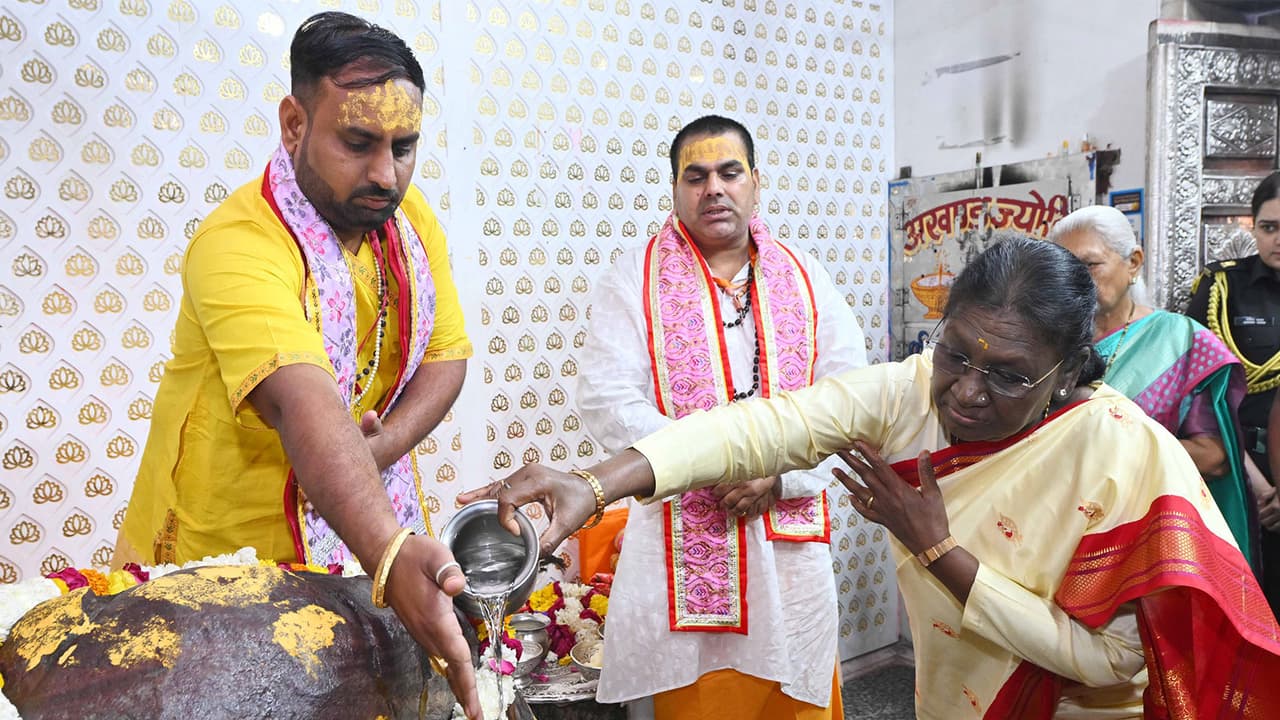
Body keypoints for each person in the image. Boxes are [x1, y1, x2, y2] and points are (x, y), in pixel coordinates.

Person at [467, 238, 1280, 718]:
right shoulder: (909, 390)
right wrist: (597, 482)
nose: (965, 392)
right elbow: (767, 425)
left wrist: (940, 552)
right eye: (956, 353)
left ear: (1068, 372)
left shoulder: (1125, 453)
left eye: (1006, 376)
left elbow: (1110, 663)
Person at [113, 13, 479, 717]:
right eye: (358, 143)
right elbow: (301, 400)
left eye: (405, 148)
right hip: (229, 563)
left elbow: (446, 356)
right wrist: (391, 550)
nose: (385, 174)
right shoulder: (236, 243)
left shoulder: (407, 221)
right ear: (293, 123)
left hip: (361, 522)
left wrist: (380, 447)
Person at [576, 115, 865, 719]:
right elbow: (607, 400)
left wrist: (777, 475)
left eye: (729, 173)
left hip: (791, 551)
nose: (714, 188)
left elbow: (849, 401)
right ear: (676, 190)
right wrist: (713, 463)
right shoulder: (634, 277)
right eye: (696, 176)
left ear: (755, 183)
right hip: (687, 539)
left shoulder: (806, 278)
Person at [1050, 205, 1257, 568]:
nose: (1076, 281)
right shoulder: (1047, 344)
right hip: (1057, 528)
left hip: (1148, 537)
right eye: (1064, 270)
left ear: (1133, 262)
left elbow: (1214, 457)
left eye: (1089, 265)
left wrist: (1104, 452)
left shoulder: (1181, 341)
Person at [1187, 171, 1280, 615]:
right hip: (1234, 468)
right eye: (1269, 227)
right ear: (1253, 227)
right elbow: (1201, 393)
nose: (1278, 239)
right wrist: (1260, 486)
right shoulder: (1222, 288)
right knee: (1239, 604)